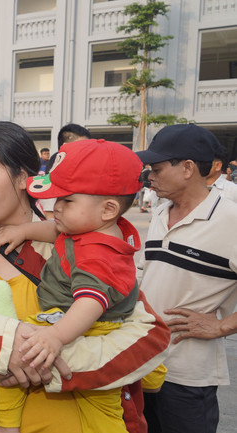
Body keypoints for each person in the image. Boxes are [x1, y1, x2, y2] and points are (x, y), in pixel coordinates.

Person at [0, 121, 170, 433]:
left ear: (23, 177)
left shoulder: (83, 247)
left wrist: (37, 359)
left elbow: (151, 340)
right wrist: (5, 343)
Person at [0, 139, 159, 433]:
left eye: (67, 201)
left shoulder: (99, 254)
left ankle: (5, 426)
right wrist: (24, 230)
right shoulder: (88, 228)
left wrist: (55, 336)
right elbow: (55, 230)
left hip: (88, 325)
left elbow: (90, 302)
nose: (56, 207)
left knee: (17, 355)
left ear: (108, 209)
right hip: (77, 321)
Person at [135, 123, 237, 433]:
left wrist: (222, 325)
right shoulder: (160, 212)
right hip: (142, 364)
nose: (149, 177)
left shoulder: (229, 220)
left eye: (157, 169)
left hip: (187, 378)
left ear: (188, 168)